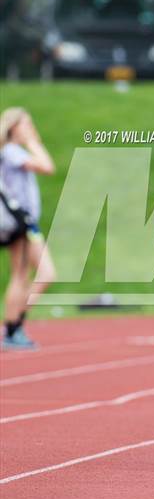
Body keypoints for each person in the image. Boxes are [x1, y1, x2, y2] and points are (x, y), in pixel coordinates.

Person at [0, 108, 56, 350]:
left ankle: (14, 325)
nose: (31, 129)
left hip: (26, 223)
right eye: (27, 124)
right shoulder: (12, 152)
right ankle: (13, 326)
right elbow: (47, 167)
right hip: (20, 222)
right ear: (13, 128)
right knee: (36, 274)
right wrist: (34, 143)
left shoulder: (13, 152)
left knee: (26, 275)